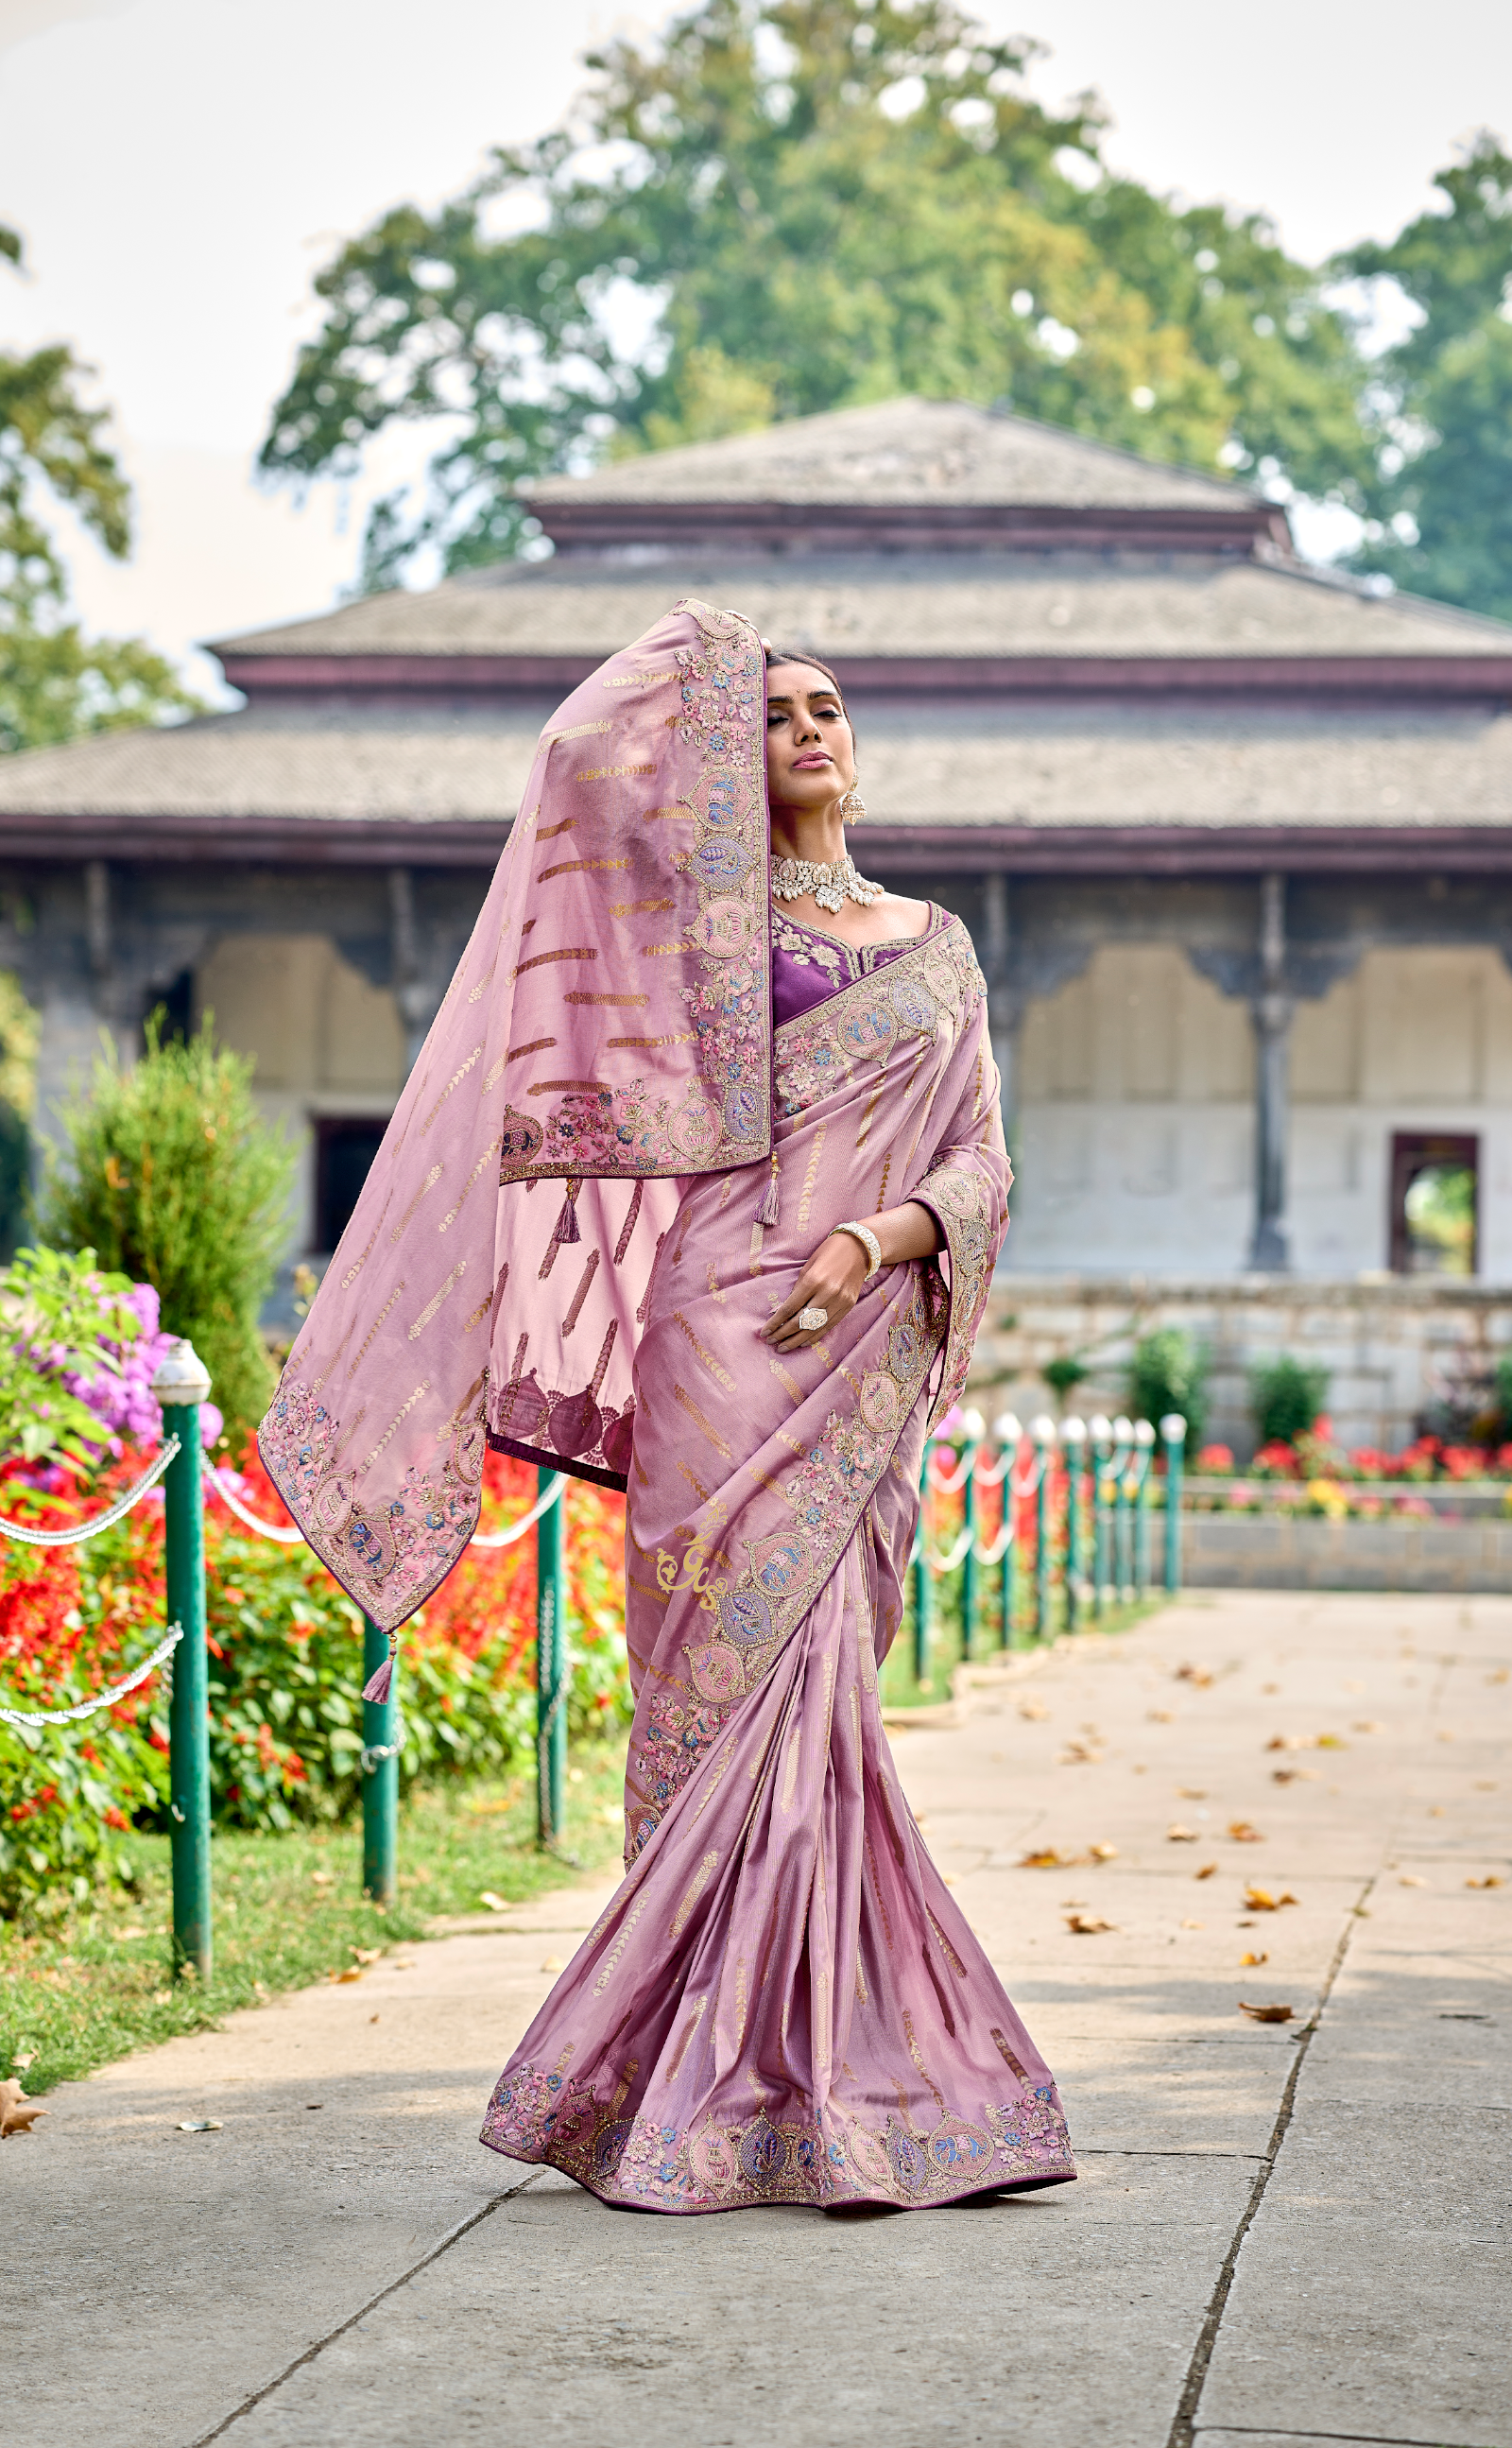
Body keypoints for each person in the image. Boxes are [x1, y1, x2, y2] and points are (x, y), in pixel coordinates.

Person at [260, 599, 1074, 2215]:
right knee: (713, 1694)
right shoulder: (687, 945)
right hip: (717, 1334)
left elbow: (981, 1160)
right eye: (777, 718)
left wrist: (874, 1239)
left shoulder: (939, 948)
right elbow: (574, 756)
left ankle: (811, 2080)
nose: (814, 730)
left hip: (859, 1344)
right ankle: (690, 2076)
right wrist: (705, 656)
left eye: (832, 706)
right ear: (732, 763)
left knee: (823, 1699)